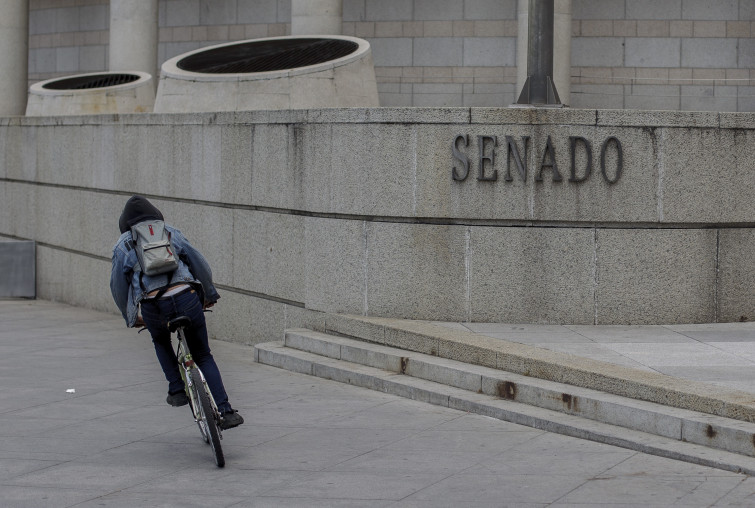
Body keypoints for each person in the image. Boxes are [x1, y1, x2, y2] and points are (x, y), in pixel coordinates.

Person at [110, 195, 243, 430]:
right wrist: (208, 295)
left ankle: (176, 389)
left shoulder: (123, 244)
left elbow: (119, 287)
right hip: (186, 298)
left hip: (154, 306)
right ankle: (226, 410)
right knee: (202, 355)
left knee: (161, 340)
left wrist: (131, 316)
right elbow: (198, 262)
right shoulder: (170, 231)